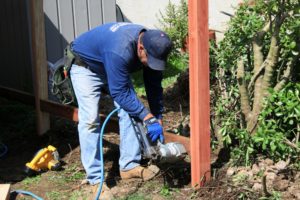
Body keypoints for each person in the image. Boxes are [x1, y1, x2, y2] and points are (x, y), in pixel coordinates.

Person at [69, 22, 172, 198]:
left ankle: (129, 166)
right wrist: (146, 117)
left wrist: (157, 116)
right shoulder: (120, 49)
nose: (152, 65)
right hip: (86, 67)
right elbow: (119, 93)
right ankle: (96, 180)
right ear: (141, 48)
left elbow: (154, 86)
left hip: (113, 67)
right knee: (90, 120)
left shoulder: (153, 47)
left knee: (130, 111)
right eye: (151, 61)